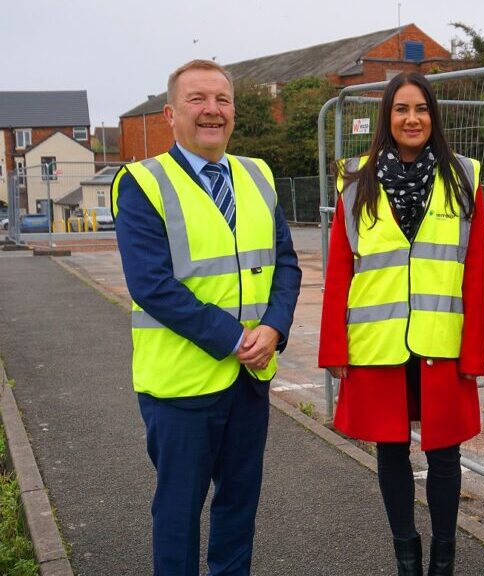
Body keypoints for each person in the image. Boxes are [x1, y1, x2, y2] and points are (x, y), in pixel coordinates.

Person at [112, 59, 301, 575]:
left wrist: (275, 328)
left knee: (239, 509)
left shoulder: (257, 174)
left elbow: (285, 263)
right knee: (178, 513)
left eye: (222, 99)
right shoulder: (143, 183)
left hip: (250, 379)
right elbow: (152, 285)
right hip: (180, 388)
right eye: (198, 99)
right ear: (171, 114)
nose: (212, 110)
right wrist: (237, 338)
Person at [318, 71, 484, 576]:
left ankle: (443, 557)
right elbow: (338, 271)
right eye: (400, 109)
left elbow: (475, 271)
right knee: (390, 451)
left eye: (421, 109)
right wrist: (335, 353)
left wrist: (473, 354)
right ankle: (405, 553)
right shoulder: (355, 179)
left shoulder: (464, 176)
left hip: (442, 342)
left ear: (433, 116)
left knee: (444, 454)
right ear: (387, 118)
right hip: (377, 343)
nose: (412, 119)